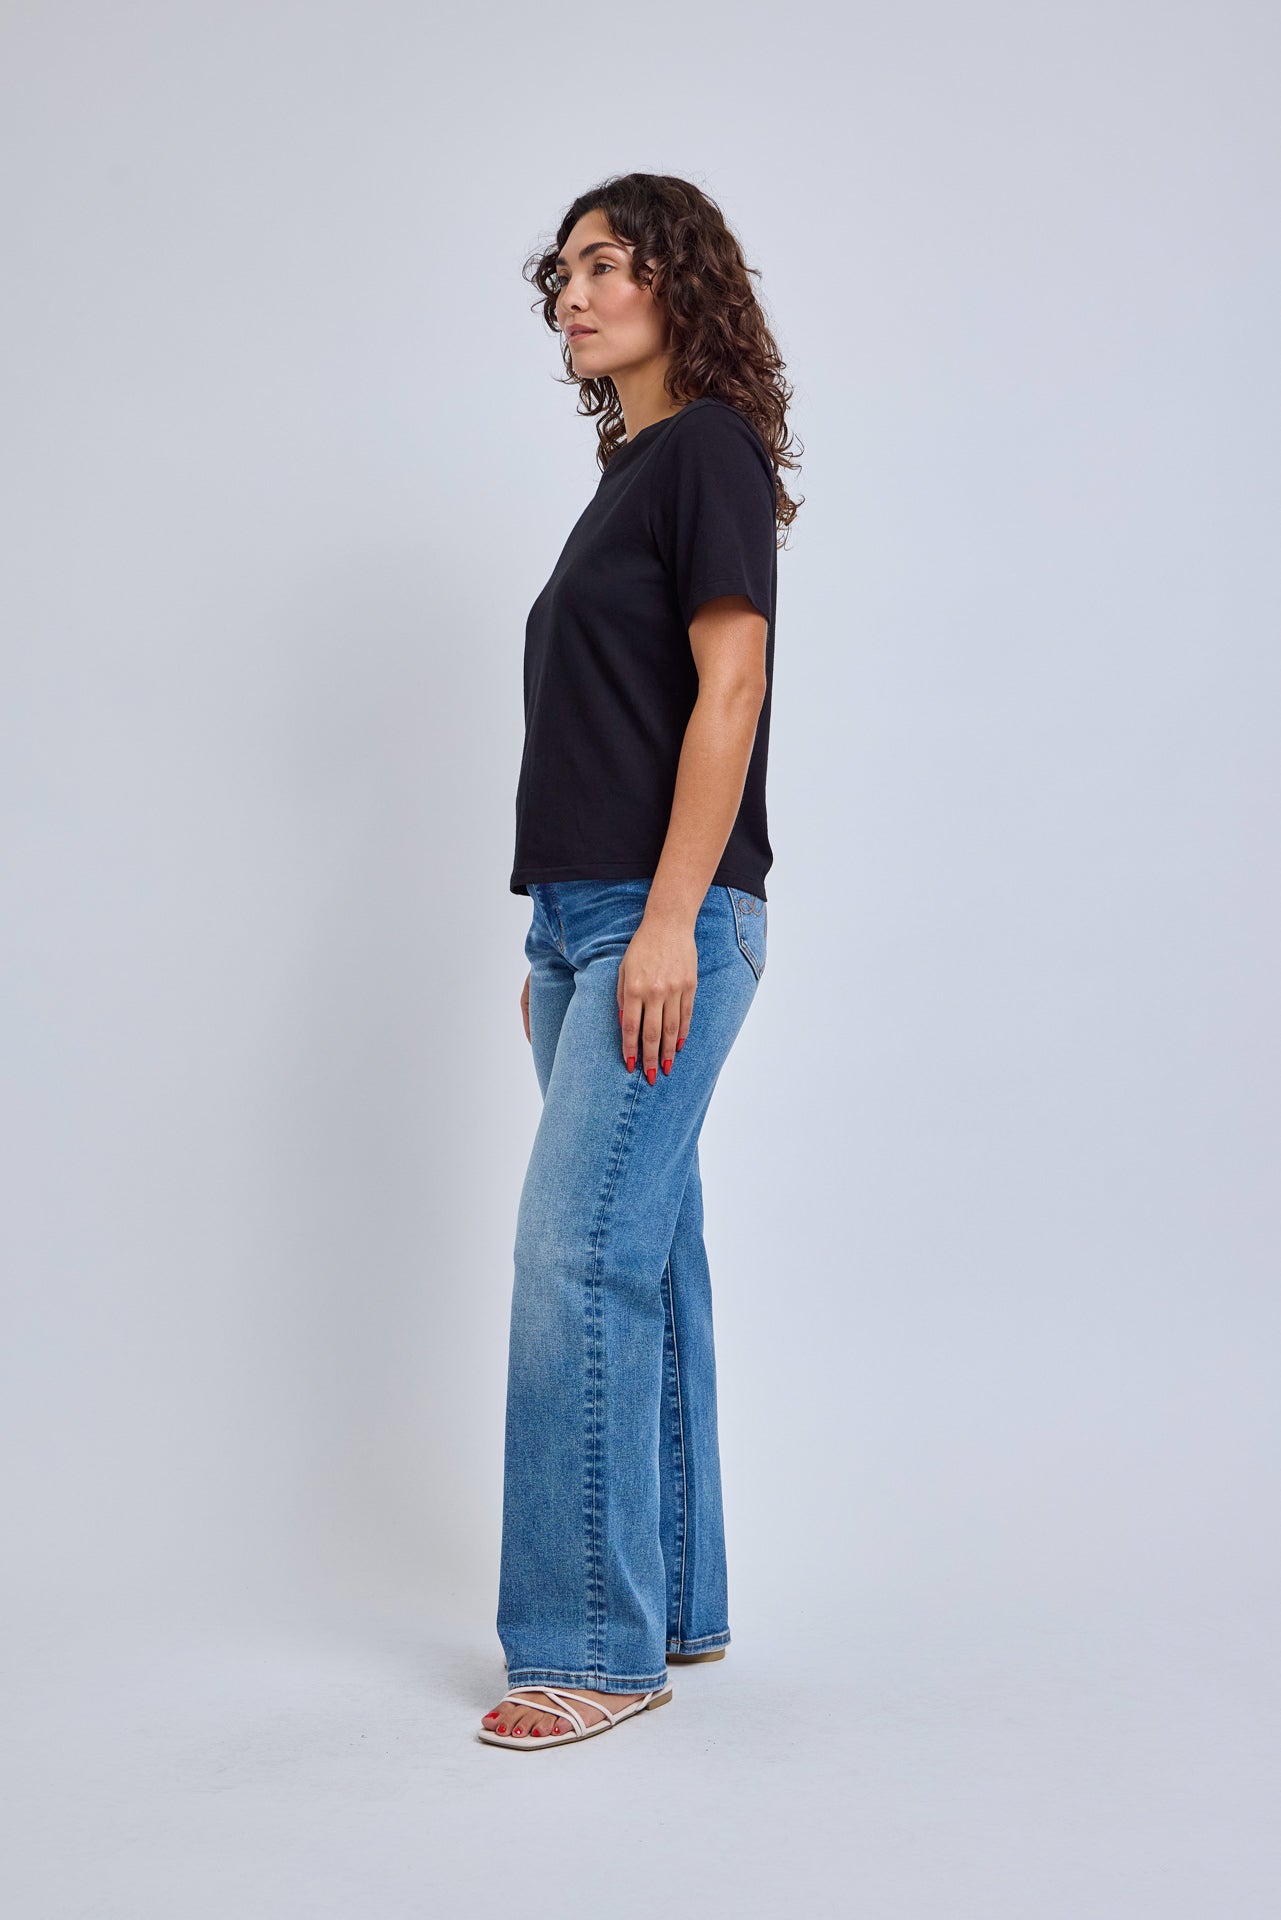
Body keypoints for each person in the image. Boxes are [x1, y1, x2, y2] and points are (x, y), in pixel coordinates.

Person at [479, 172, 802, 1751]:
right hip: (583, 922)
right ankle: (672, 1609)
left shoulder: (709, 453)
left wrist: (665, 916)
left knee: (575, 1260)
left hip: (655, 920)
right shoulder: (630, 471)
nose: (573, 295)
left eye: (606, 264)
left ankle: (591, 1649)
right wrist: (562, 930)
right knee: (646, 1253)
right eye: (563, 274)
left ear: (682, 282)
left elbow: (727, 691)